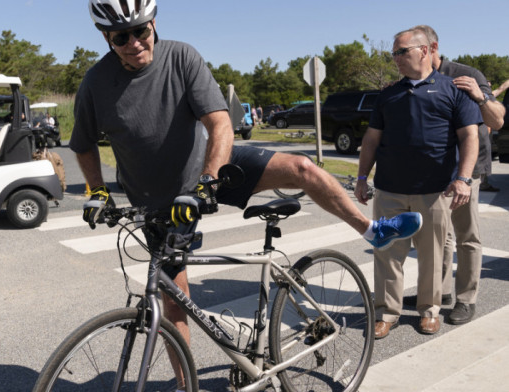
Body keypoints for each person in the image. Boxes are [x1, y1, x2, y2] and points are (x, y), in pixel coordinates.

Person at [73, 1, 422, 378]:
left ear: (153, 23)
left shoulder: (181, 57)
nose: (135, 42)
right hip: (158, 200)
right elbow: (82, 143)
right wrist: (97, 192)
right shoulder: (96, 83)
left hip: (210, 170)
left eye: (141, 30)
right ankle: (185, 384)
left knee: (302, 167)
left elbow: (220, 124)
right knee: (174, 302)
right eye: (122, 37)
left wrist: (207, 183)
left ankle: (373, 230)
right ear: (106, 37)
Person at [354, 27, 481, 338]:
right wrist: (361, 177)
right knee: (387, 253)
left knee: (433, 255)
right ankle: (387, 312)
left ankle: (429, 311)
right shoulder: (387, 94)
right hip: (389, 190)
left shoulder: (453, 90)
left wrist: (463, 179)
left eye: (402, 52)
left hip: (434, 191)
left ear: (425, 51)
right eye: (394, 53)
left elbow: (470, 137)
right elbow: (371, 140)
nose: (396, 58)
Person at [399, 25, 506, 325]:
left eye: (407, 52)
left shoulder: (466, 74)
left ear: (430, 48)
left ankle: (465, 299)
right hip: (434, 171)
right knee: (438, 238)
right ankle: (440, 292)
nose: (403, 60)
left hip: (466, 169)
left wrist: (480, 97)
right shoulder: (414, 80)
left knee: (465, 235)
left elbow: (497, 121)